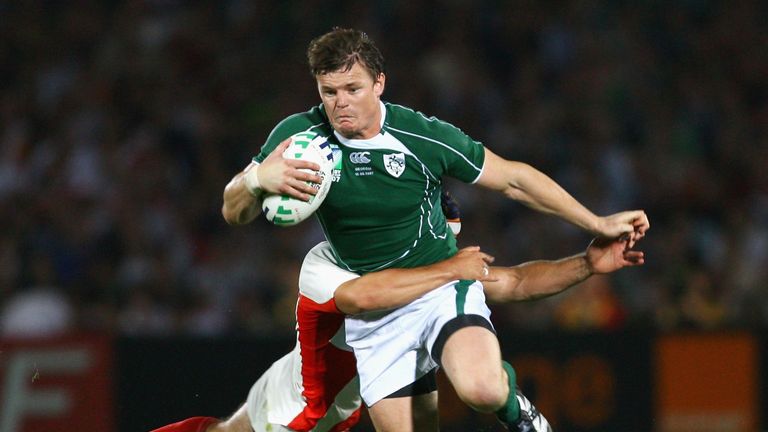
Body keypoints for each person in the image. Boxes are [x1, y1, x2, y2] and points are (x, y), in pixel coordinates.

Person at [220, 28, 649, 431]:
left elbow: (513, 180)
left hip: (442, 289)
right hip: (376, 317)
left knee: (481, 388)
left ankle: (517, 409)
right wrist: (256, 181)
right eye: (329, 92)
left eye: (353, 89)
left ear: (380, 83)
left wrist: (596, 222)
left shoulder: (420, 135)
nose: (340, 103)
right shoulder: (298, 137)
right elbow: (233, 211)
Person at [152, 232, 645, 432]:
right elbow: (365, 297)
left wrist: (587, 263)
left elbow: (514, 280)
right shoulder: (354, 265)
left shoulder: (438, 266)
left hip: (330, 404)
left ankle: (506, 395)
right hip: (295, 400)